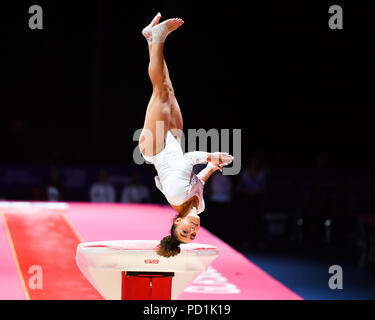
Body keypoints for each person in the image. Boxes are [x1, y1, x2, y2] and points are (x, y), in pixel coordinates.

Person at [138, 13, 233, 257]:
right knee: (168, 88)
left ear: (177, 223)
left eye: (184, 232)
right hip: (173, 144)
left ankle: (157, 38)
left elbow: (190, 158)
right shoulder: (198, 207)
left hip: (156, 148)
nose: (192, 231)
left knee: (159, 92)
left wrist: (212, 156)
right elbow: (198, 182)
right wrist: (213, 167)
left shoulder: (176, 196)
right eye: (193, 236)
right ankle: (151, 39)